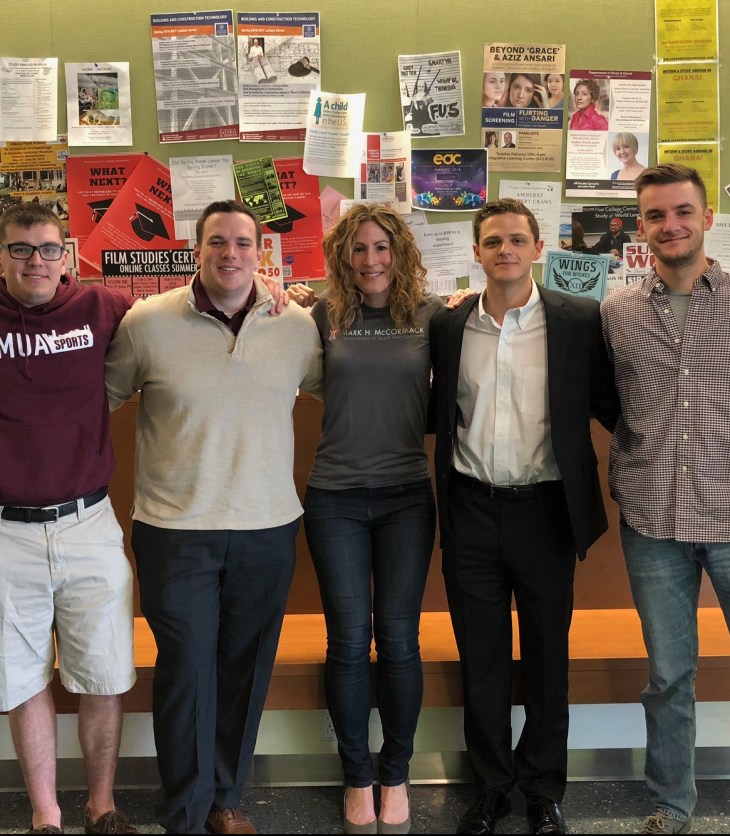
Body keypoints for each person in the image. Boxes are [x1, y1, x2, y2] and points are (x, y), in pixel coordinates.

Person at [104, 200, 323, 835]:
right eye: (217, 241)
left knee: (245, 669)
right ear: (195, 250)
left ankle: (226, 799)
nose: (231, 253)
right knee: (186, 671)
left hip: (267, 526)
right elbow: (96, 399)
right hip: (175, 531)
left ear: (260, 252)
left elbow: (342, 386)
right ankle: (185, 812)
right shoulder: (147, 323)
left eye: (243, 243)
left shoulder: (296, 326)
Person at [430, 198, 617, 835]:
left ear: (537, 248)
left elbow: (611, 403)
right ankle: (490, 789)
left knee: (546, 658)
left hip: (546, 512)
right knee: (480, 658)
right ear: (476, 253)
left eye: (516, 239)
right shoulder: (449, 325)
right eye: (492, 241)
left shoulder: (579, 320)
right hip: (471, 510)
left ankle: (542, 790)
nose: (504, 250)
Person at [302, 205, 442, 835]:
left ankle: (397, 771)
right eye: (358, 249)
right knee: (349, 641)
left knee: (400, 638)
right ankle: (356, 774)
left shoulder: (431, 317)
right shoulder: (322, 316)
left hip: (406, 496)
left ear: (400, 252)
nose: (371, 260)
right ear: (343, 257)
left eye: (381, 247)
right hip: (335, 498)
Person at [0, 202, 139, 834]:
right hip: (7, 531)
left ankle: (101, 807)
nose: (37, 260)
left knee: (103, 674)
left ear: (67, 256)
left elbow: (184, 311)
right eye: (22, 248)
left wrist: (267, 290)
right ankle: (46, 815)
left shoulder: (100, 307)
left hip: (88, 523)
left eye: (49, 248)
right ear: (3, 257)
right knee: (21, 678)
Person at [601, 164, 730, 836]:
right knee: (670, 675)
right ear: (641, 226)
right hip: (652, 519)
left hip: (729, 511)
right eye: (656, 215)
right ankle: (673, 803)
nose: (670, 225)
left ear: (706, 218)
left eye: (682, 212)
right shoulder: (616, 311)